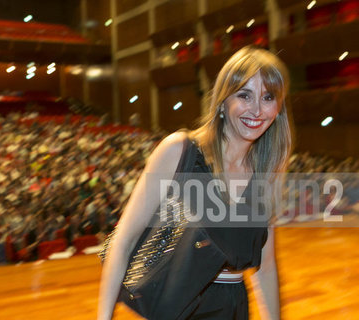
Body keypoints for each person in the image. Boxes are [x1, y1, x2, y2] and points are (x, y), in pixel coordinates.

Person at [97, 46, 292, 320]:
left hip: (233, 308)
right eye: (244, 95)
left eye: (268, 97)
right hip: (182, 309)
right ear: (224, 101)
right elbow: (124, 240)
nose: (257, 110)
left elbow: (266, 267)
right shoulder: (180, 151)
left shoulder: (266, 176)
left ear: (279, 107)